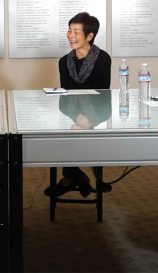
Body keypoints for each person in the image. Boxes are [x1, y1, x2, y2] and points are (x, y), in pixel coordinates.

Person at [44, 12, 112, 198]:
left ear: (89, 36)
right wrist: (77, 116)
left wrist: (85, 118)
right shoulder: (64, 62)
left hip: (97, 111)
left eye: (76, 32)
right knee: (65, 131)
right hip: (70, 111)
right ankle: (76, 176)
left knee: (75, 131)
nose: (71, 36)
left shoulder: (102, 58)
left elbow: (102, 92)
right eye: (69, 31)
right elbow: (66, 93)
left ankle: (70, 178)